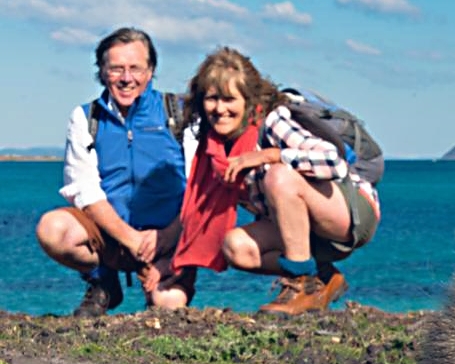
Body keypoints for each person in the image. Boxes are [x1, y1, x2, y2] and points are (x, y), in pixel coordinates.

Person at [170, 47, 380, 315]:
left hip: (349, 211)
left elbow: (333, 162)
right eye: (212, 98)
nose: (220, 109)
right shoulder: (213, 148)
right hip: (302, 229)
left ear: (248, 100)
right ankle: (323, 279)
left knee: (278, 176)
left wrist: (269, 156)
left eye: (229, 99)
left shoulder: (273, 121)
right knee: (235, 246)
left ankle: (300, 284)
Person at [35, 27, 195, 317]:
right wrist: (131, 239)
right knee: (53, 229)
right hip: (114, 238)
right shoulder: (86, 118)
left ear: (150, 71)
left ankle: (163, 277)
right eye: (116, 68)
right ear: (102, 71)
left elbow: (200, 186)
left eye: (135, 68)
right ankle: (103, 281)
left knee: (168, 307)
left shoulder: (181, 113)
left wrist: (167, 237)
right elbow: (84, 189)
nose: (126, 78)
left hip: (171, 237)